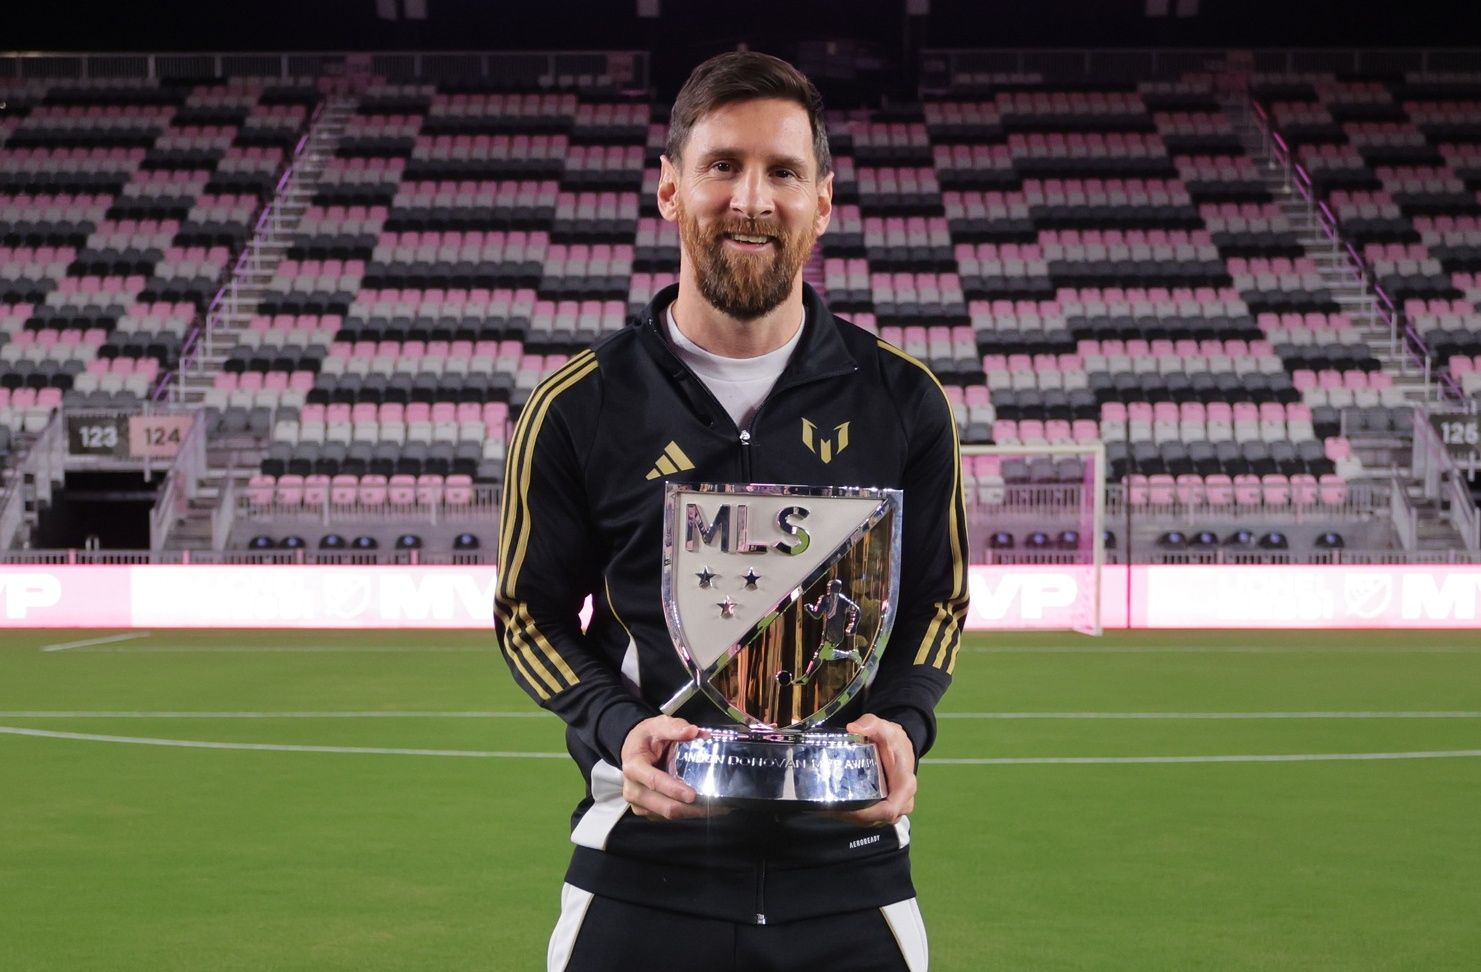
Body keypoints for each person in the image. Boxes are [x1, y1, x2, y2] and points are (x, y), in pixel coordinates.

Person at [496, 50, 967, 972]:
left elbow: (936, 605)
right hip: (638, 872)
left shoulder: (903, 401)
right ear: (670, 190)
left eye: (783, 171)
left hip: (852, 880)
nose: (752, 200)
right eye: (722, 166)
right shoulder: (578, 406)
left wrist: (904, 728)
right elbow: (527, 614)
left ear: (822, 202)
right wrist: (612, 725)